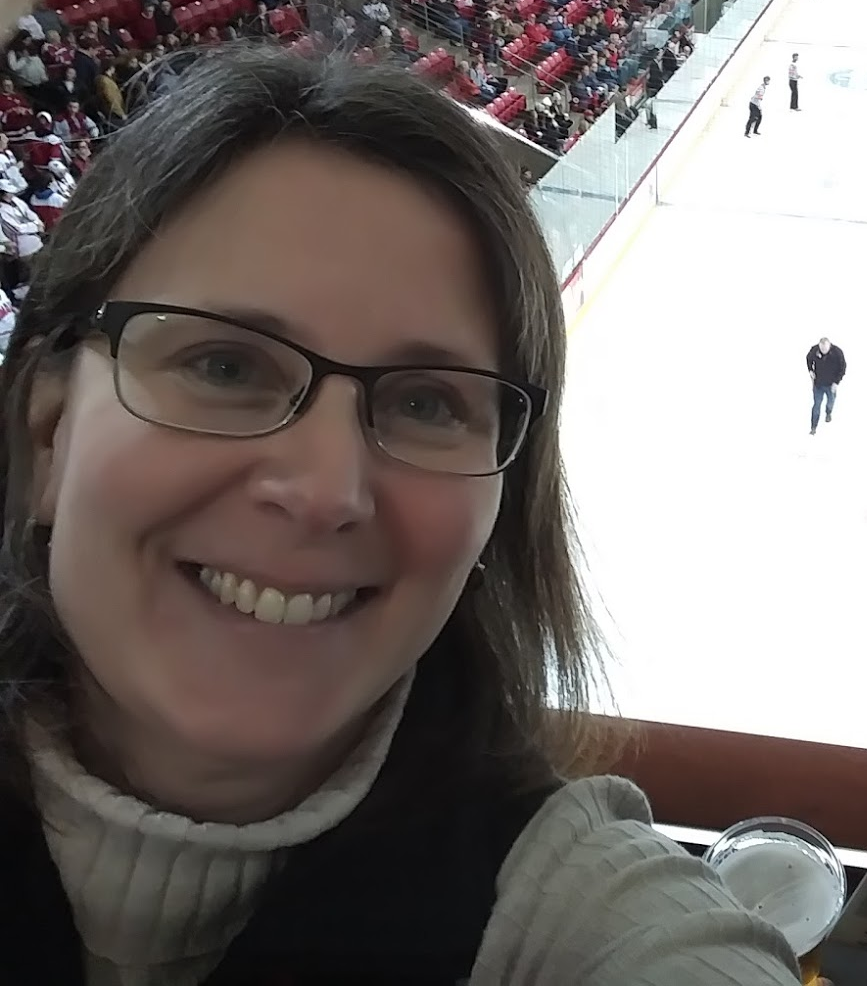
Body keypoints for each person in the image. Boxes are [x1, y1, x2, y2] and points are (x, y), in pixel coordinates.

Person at [0, 50, 802, 984]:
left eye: (426, 402)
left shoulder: (577, 915)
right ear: (48, 436)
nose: (326, 490)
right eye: (225, 366)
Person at [806, 337, 846, 435]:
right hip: (818, 384)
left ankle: (828, 412)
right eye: (821, 349)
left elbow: (843, 368)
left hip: (831, 385)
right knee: (816, 405)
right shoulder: (814, 350)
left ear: (829, 346)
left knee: (830, 402)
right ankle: (813, 427)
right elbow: (808, 359)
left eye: (825, 349)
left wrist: (836, 382)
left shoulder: (837, 353)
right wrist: (810, 370)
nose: (823, 351)